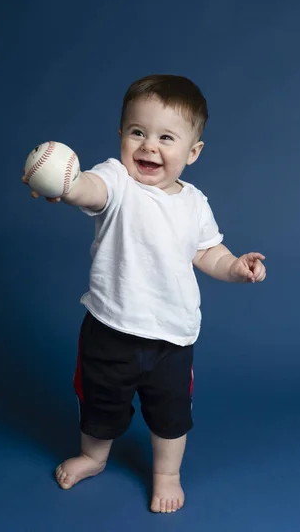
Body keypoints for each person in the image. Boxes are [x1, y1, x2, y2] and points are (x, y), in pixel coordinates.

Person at [23, 74, 266, 514]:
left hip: (172, 339)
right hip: (110, 329)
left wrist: (234, 267)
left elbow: (207, 252)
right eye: (138, 132)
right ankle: (94, 458)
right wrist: (65, 183)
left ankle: (166, 475)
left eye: (166, 138)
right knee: (99, 405)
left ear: (192, 153)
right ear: (121, 136)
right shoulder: (116, 181)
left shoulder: (194, 203)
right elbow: (90, 191)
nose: (149, 146)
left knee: (171, 416)